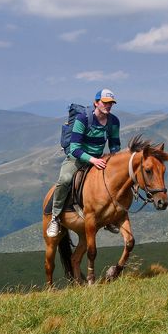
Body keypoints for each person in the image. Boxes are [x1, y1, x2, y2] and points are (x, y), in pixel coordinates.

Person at [46, 88, 122, 237]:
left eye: (111, 103)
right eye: (105, 103)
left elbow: (114, 144)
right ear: (96, 103)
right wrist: (92, 160)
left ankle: (109, 219)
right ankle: (55, 217)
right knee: (65, 180)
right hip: (78, 158)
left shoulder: (114, 121)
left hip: (99, 159)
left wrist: (115, 158)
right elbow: (74, 148)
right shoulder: (83, 119)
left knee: (116, 182)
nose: (108, 106)